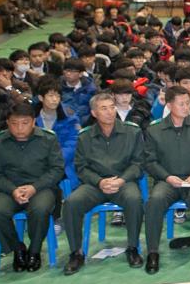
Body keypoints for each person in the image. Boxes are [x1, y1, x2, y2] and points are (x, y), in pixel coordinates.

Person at [61, 91, 146, 274]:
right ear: (94, 113)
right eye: (103, 108)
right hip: (95, 184)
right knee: (71, 203)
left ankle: (132, 248)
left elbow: (139, 163)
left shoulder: (132, 132)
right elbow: (81, 168)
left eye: (112, 107)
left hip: (124, 182)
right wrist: (100, 182)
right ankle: (76, 252)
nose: (109, 112)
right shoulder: (85, 136)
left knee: (134, 200)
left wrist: (122, 180)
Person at [143, 85, 190, 273]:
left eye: (188, 103)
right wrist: (167, 177)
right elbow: (150, 161)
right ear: (169, 105)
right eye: (181, 104)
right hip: (167, 181)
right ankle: (152, 252)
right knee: (155, 200)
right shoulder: (155, 130)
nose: (186, 107)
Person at [0, 103, 66, 272]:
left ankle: (34, 251)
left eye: (24, 123)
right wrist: (13, 190)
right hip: (10, 189)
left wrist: (34, 187)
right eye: (14, 123)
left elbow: (57, 170)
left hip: (41, 188)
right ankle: (18, 249)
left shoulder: (48, 139)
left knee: (40, 209)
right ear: (7, 122)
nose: (19, 128)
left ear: (33, 122)